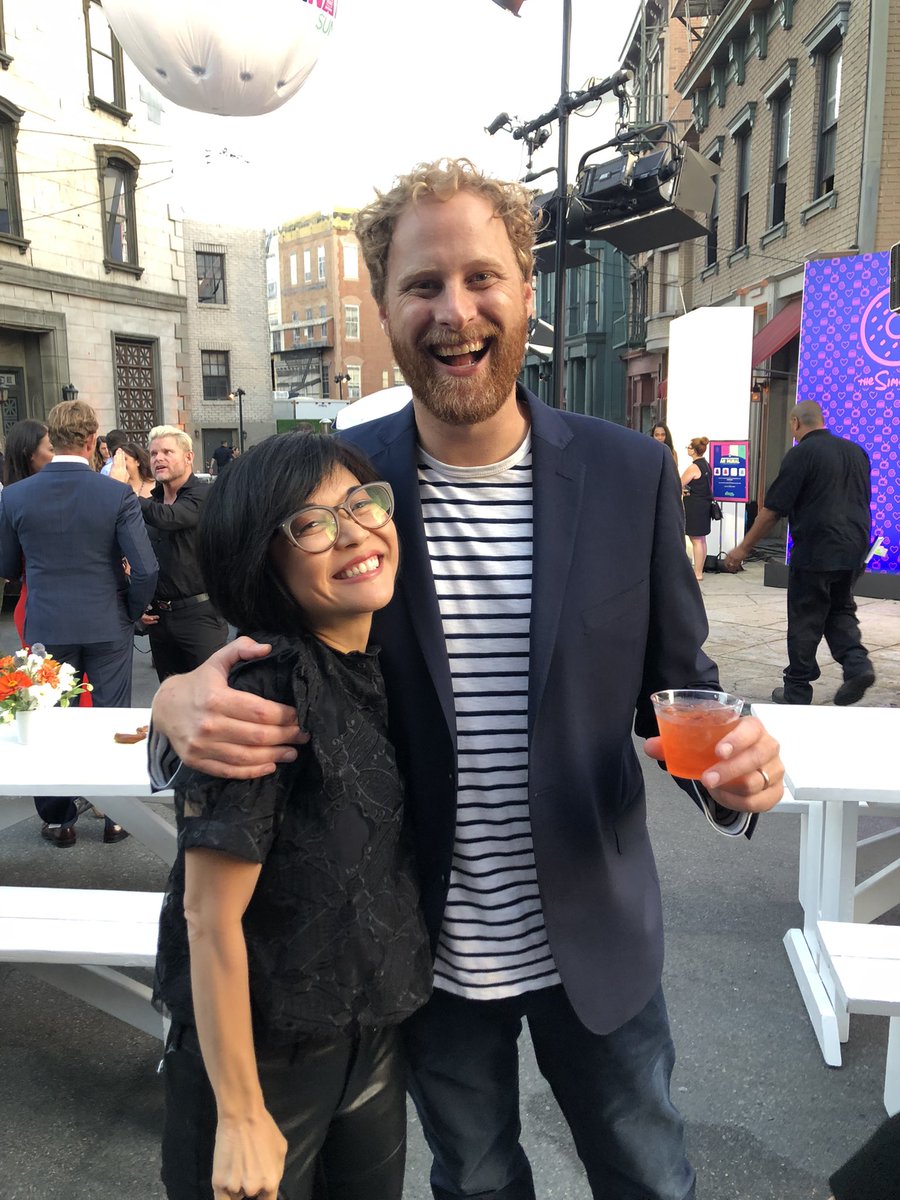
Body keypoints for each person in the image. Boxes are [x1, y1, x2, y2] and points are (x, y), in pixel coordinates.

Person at [149, 158, 783, 1200]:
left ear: (527, 291)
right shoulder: (350, 486)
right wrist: (176, 707)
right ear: (384, 304)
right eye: (422, 285)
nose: (455, 311)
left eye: (483, 277)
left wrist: (731, 780)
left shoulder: (626, 477)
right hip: (424, 956)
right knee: (475, 1180)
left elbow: (677, 690)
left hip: (598, 933)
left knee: (648, 1174)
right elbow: (260, 660)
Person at [153, 430, 432, 1200]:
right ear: (263, 557)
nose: (353, 533)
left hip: (369, 1037)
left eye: (361, 503)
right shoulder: (267, 688)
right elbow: (208, 917)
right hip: (262, 1057)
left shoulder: (374, 663)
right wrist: (240, 1114)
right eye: (311, 525)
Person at [0, 400, 157, 846]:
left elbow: (8, 566)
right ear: (93, 442)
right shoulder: (115, 494)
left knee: (51, 722)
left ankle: (57, 817)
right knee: (110, 718)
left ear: (52, 438)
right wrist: (129, 612)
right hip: (107, 620)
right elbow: (145, 568)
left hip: (47, 622)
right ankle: (115, 815)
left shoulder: (14, 495)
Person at [725, 400, 874, 706]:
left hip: (817, 549)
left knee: (806, 617)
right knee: (839, 608)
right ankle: (857, 664)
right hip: (854, 549)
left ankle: (797, 689)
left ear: (795, 423)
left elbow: (772, 511)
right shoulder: (856, 452)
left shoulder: (801, 454)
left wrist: (742, 549)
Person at [130, 426, 228, 682]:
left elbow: (171, 518)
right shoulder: (153, 502)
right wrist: (139, 601)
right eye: (153, 454)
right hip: (159, 619)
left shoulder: (204, 495)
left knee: (211, 694)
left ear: (188, 457)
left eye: (166, 452)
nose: (158, 458)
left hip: (200, 616)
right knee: (171, 697)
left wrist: (125, 494)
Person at [1, 419, 54, 641]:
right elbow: (8, 566)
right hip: (36, 606)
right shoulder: (11, 501)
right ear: (29, 454)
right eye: (51, 449)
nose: (57, 454)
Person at [681, 435, 712, 582]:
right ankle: (699, 570)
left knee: (696, 540)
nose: (687, 449)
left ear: (693, 451)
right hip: (704, 505)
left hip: (695, 506)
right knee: (701, 539)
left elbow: (679, 483)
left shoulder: (693, 467)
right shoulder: (706, 464)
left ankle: (697, 573)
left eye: (689, 447)